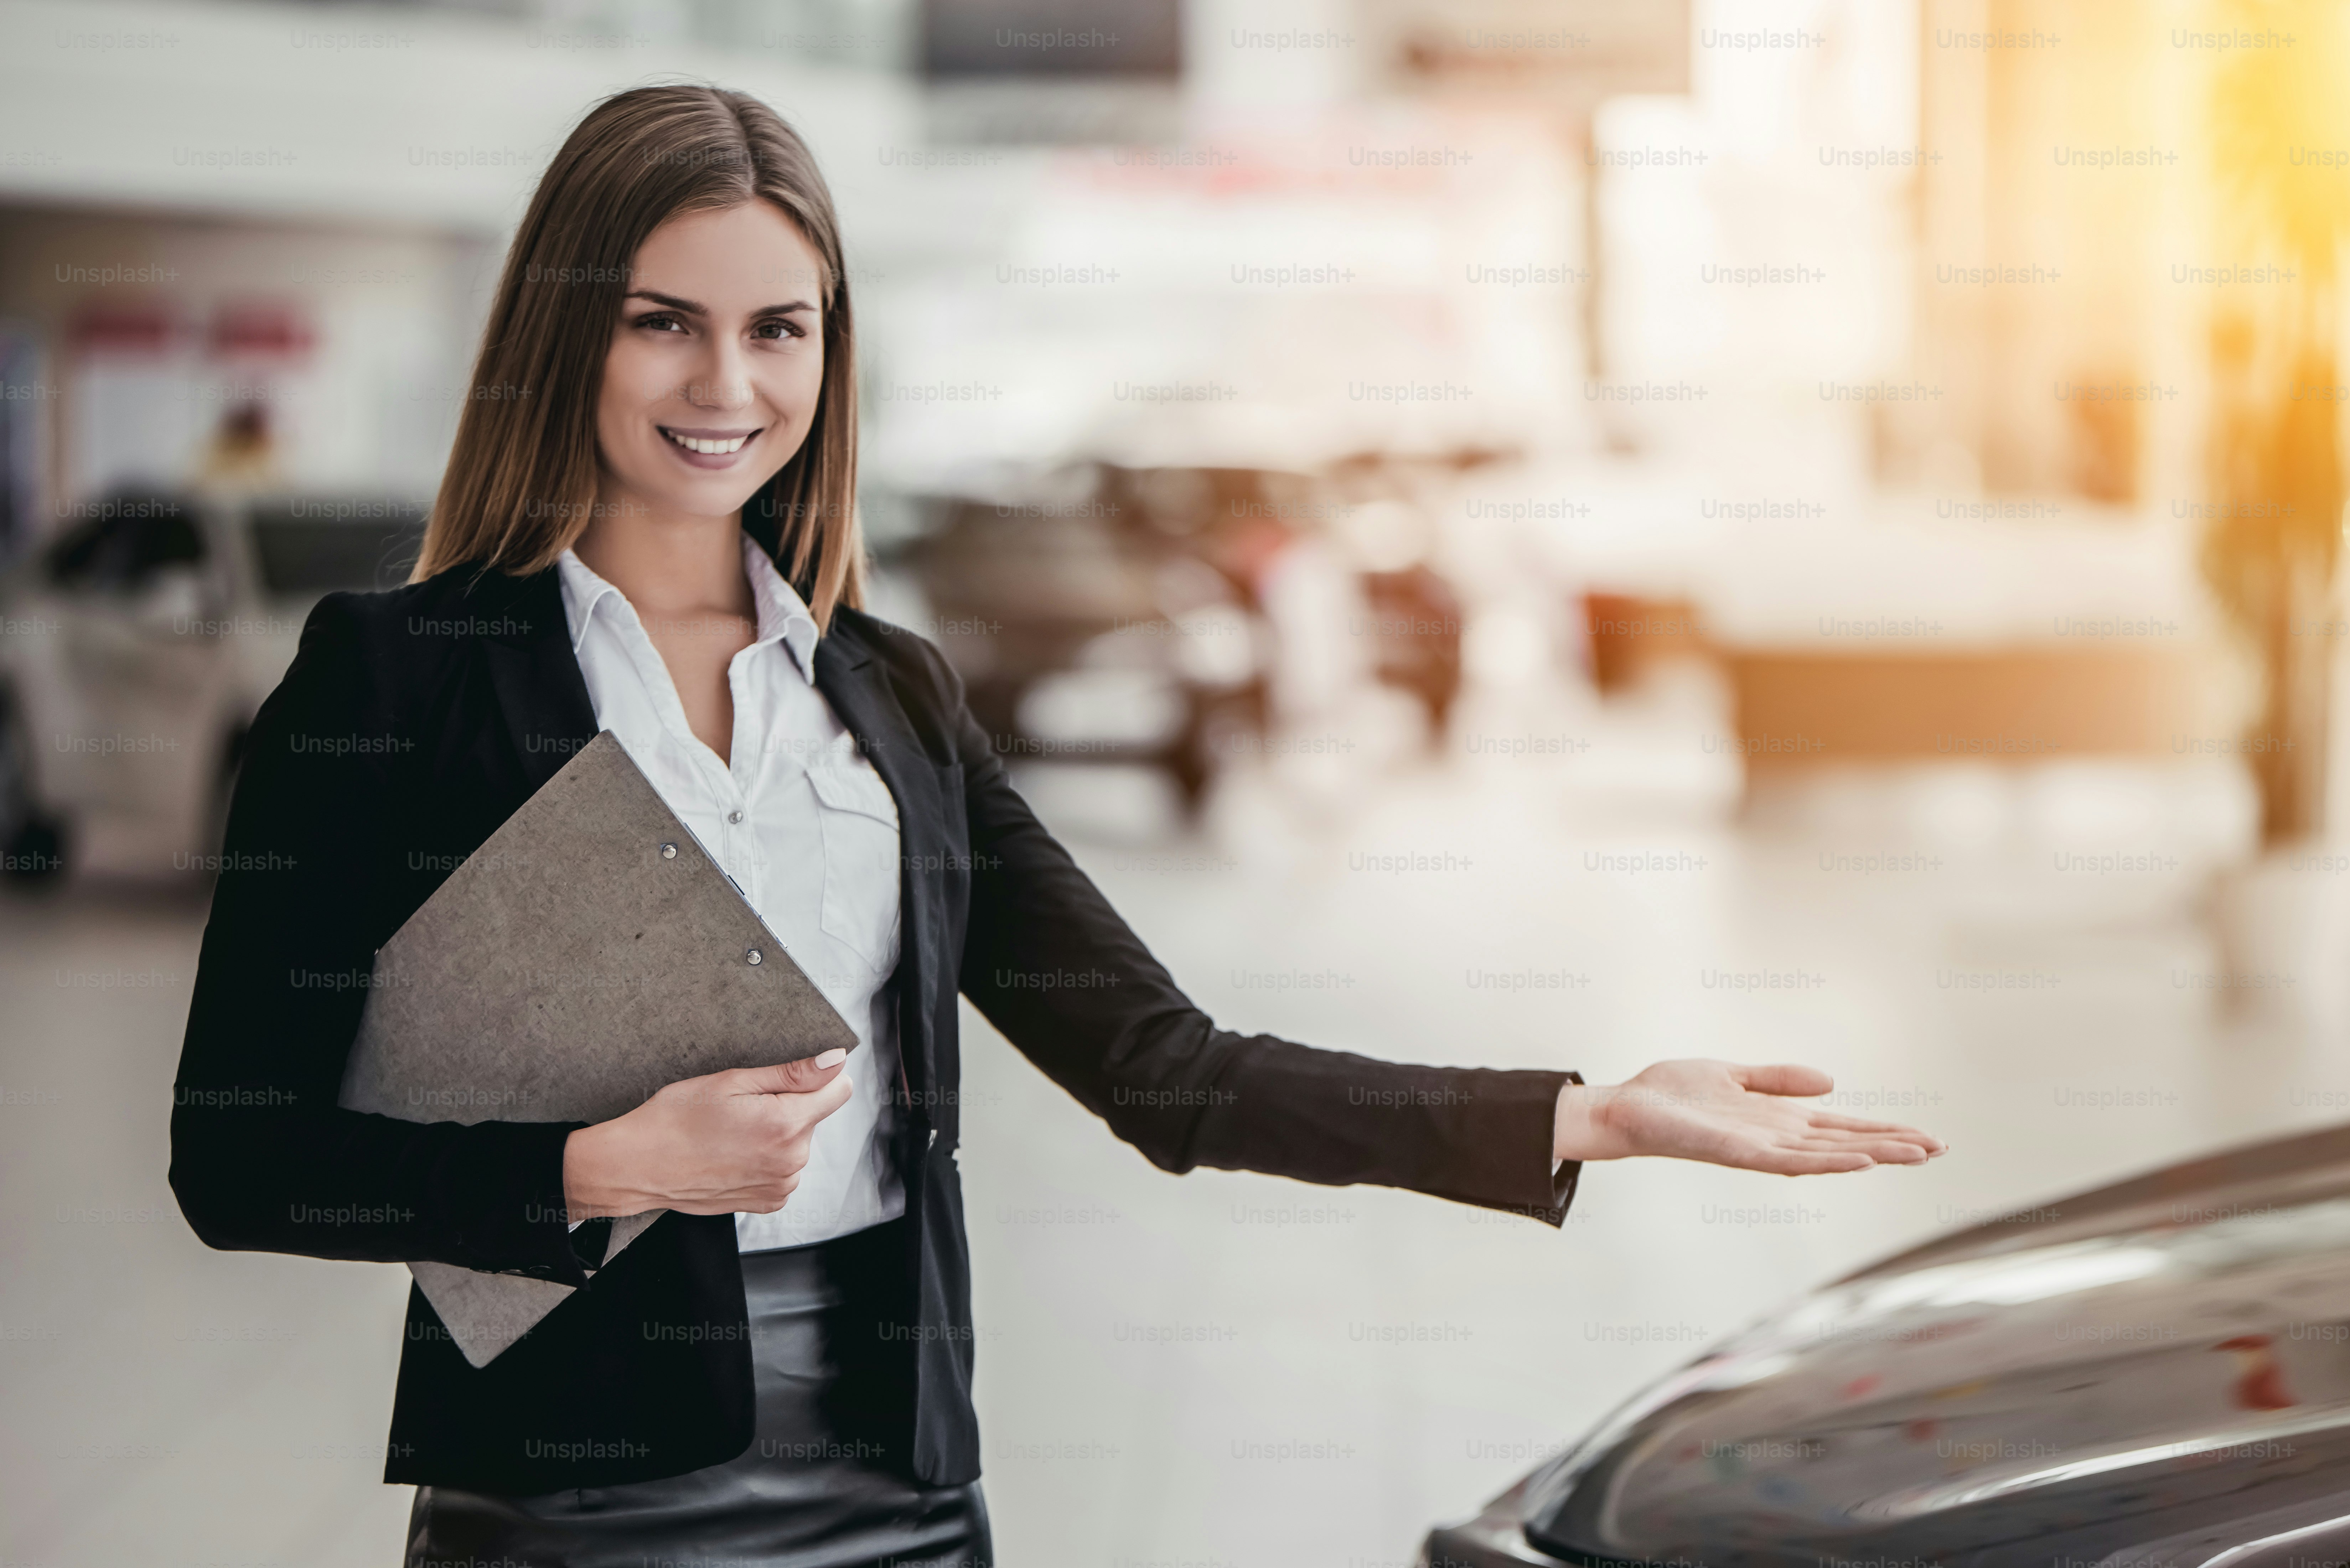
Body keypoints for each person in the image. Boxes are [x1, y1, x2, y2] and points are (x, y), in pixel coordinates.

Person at [166, 85, 1943, 1568]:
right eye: (663, 321)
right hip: (555, 1503)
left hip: (895, 1492)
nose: (727, 384)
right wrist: (592, 1169)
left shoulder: (890, 697)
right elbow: (235, 1161)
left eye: (777, 327)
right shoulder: (400, 678)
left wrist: (1588, 1112)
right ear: (568, 331)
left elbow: (1169, 1069)